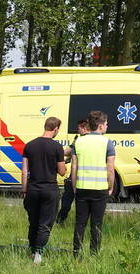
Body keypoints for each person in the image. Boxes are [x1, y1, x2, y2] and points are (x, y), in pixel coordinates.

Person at [22, 116, 69, 263]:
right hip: (50, 190)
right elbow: (62, 172)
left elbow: (24, 171)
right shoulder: (57, 147)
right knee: (45, 223)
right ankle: (38, 254)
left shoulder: (29, 145)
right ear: (55, 129)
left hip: (33, 189)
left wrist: (24, 191)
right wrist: (63, 163)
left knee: (33, 222)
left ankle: (31, 250)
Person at [71, 110, 115, 257]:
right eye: (107, 124)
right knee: (97, 224)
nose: (107, 126)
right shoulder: (107, 143)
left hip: (82, 188)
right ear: (101, 126)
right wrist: (111, 186)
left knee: (80, 223)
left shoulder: (79, 142)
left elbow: (74, 167)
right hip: (100, 189)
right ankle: (94, 254)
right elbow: (110, 169)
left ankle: (76, 253)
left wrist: (74, 186)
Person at [56, 119, 90, 225]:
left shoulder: (81, 141)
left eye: (79, 128)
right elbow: (72, 155)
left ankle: (60, 221)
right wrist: (66, 160)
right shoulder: (81, 139)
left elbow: (69, 151)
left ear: (84, 128)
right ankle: (61, 221)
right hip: (81, 177)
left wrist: (55, 151)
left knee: (67, 202)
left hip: (78, 177)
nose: (77, 130)